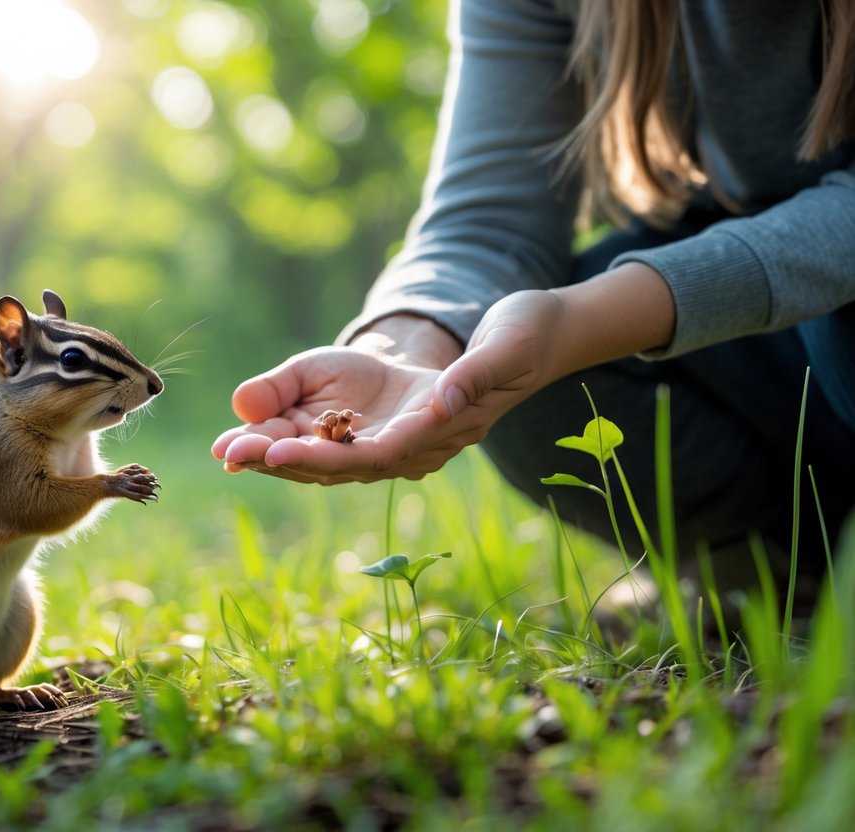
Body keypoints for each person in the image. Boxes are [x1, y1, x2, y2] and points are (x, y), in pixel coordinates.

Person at [212, 0, 855, 583]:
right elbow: (488, 218)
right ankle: (768, 576)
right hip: (765, 365)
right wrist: (404, 342)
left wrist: (592, 318)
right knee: (500, 363)